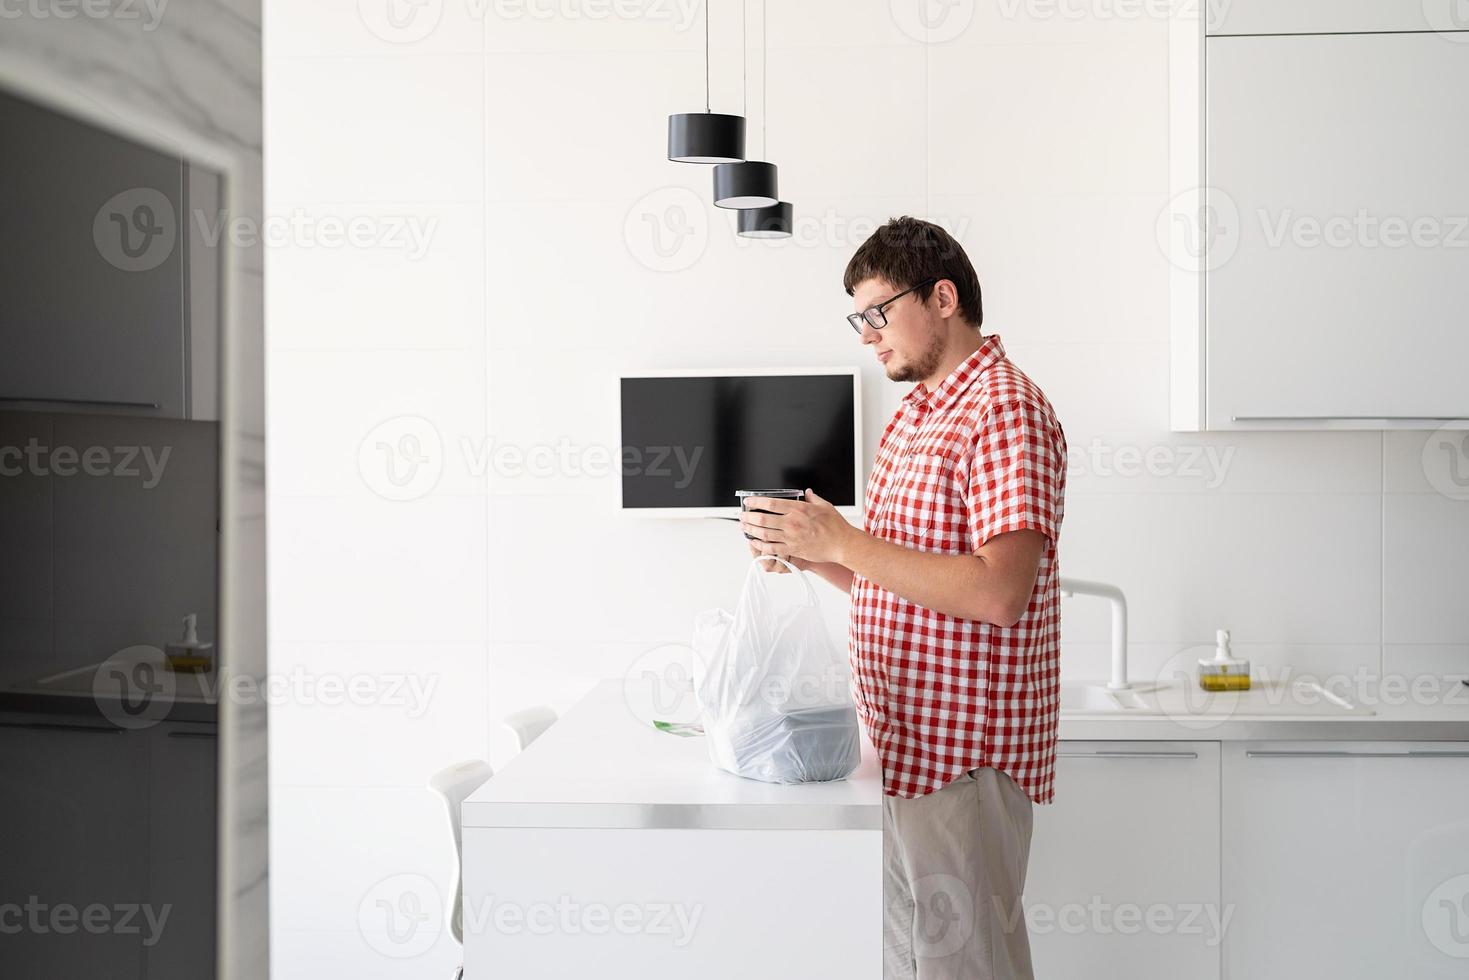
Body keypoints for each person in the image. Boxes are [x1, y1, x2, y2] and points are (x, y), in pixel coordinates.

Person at [739, 216, 1067, 980]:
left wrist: (845, 541)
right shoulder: (915, 419)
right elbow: (897, 587)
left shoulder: (1003, 411)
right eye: (858, 319)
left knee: (968, 968)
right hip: (901, 745)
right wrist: (814, 552)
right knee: (914, 965)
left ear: (942, 297)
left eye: (877, 313)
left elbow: (997, 593)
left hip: (962, 757)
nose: (866, 336)